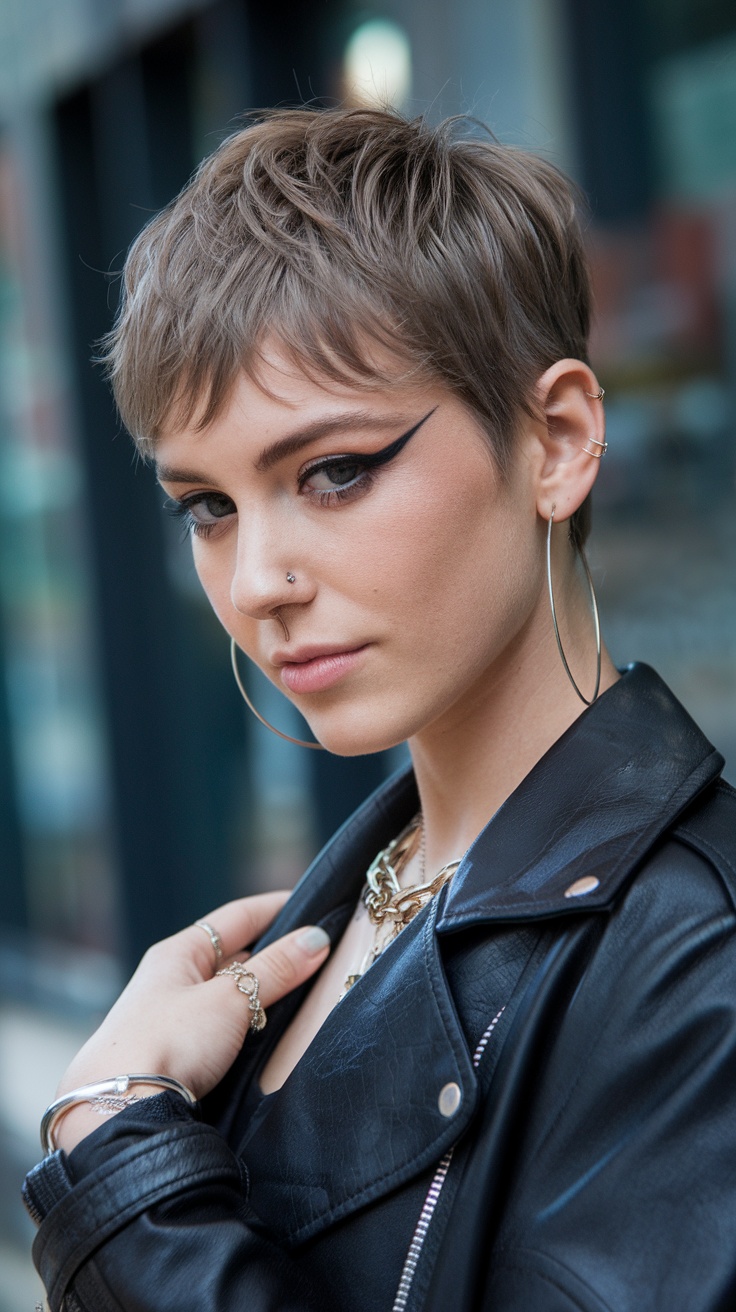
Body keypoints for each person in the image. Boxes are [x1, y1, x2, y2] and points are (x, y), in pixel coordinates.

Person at [23, 107, 736, 1312]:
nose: (258, 582)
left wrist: (121, 1157)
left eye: (334, 472)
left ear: (555, 440)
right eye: (208, 505)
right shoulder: (349, 897)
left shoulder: (695, 963)